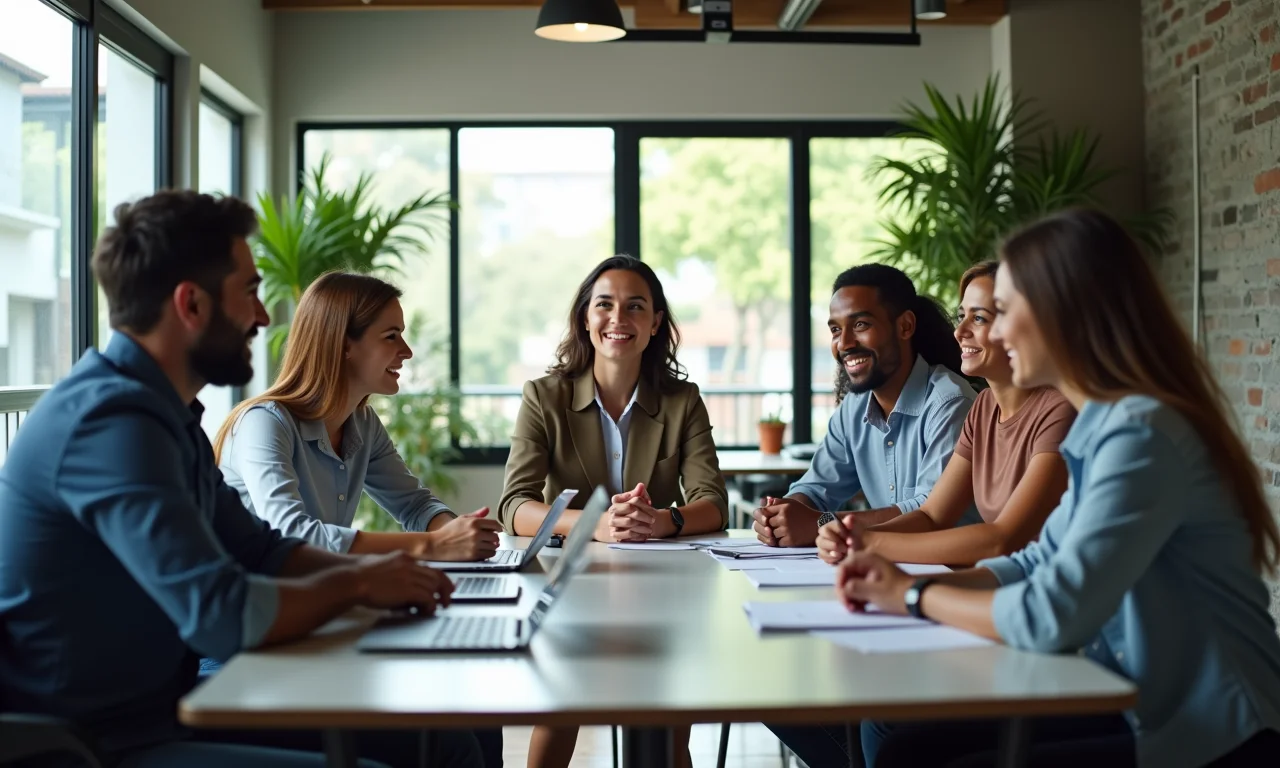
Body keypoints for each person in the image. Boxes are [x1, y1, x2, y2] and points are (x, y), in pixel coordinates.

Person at [0, 191, 483, 768]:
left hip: (155, 712)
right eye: (250, 291)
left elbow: (262, 549)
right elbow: (222, 614)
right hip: (91, 744)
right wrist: (359, 584)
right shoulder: (110, 423)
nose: (263, 315)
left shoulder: (166, 417)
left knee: (448, 739)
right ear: (192, 304)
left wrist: (384, 571)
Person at [843, 209, 1280, 768]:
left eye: (1003, 313)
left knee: (920, 754)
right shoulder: (1102, 423)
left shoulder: (1141, 433)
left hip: (1212, 732)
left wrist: (911, 598)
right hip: (1132, 699)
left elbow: (1050, 614)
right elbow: (1035, 563)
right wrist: (899, 584)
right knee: (910, 748)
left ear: (1063, 313)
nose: (992, 333)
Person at [498, 254, 728, 768]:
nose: (618, 319)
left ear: (655, 324)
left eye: (635, 307)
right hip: (571, 581)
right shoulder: (544, 396)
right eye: (604, 305)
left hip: (661, 586)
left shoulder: (683, 400)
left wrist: (662, 520)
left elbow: (714, 504)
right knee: (561, 707)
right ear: (585, 317)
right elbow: (513, 506)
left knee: (670, 724)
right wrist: (597, 524)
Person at [214, 272, 502, 563]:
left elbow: (414, 505)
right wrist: (433, 545)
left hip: (320, 592)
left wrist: (459, 535)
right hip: (261, 603)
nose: (407, 351)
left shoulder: (362, 423)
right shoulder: (264, 424)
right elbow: (292, 534)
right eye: (391, 337)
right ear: (344, 345)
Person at [815, 261, 1075, 568]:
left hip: (1046, 597)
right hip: (1004, 583)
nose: (960, 331)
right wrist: (851, 535)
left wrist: (868, 542)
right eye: (961, 316)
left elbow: (1003, 540)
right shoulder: (984, 407)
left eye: (978, 318)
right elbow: (932, 515)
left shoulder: (1060, 409)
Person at [754, 264, 977, 550]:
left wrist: (822, 523)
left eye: (860, 325)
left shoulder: (950, 402)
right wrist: (782, 515)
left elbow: (929, 511)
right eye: (836, 329)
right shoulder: (854, 408)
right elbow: (815, 489)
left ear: (905, 326)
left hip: (953, 570)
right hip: (886, 566)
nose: (844, 343)